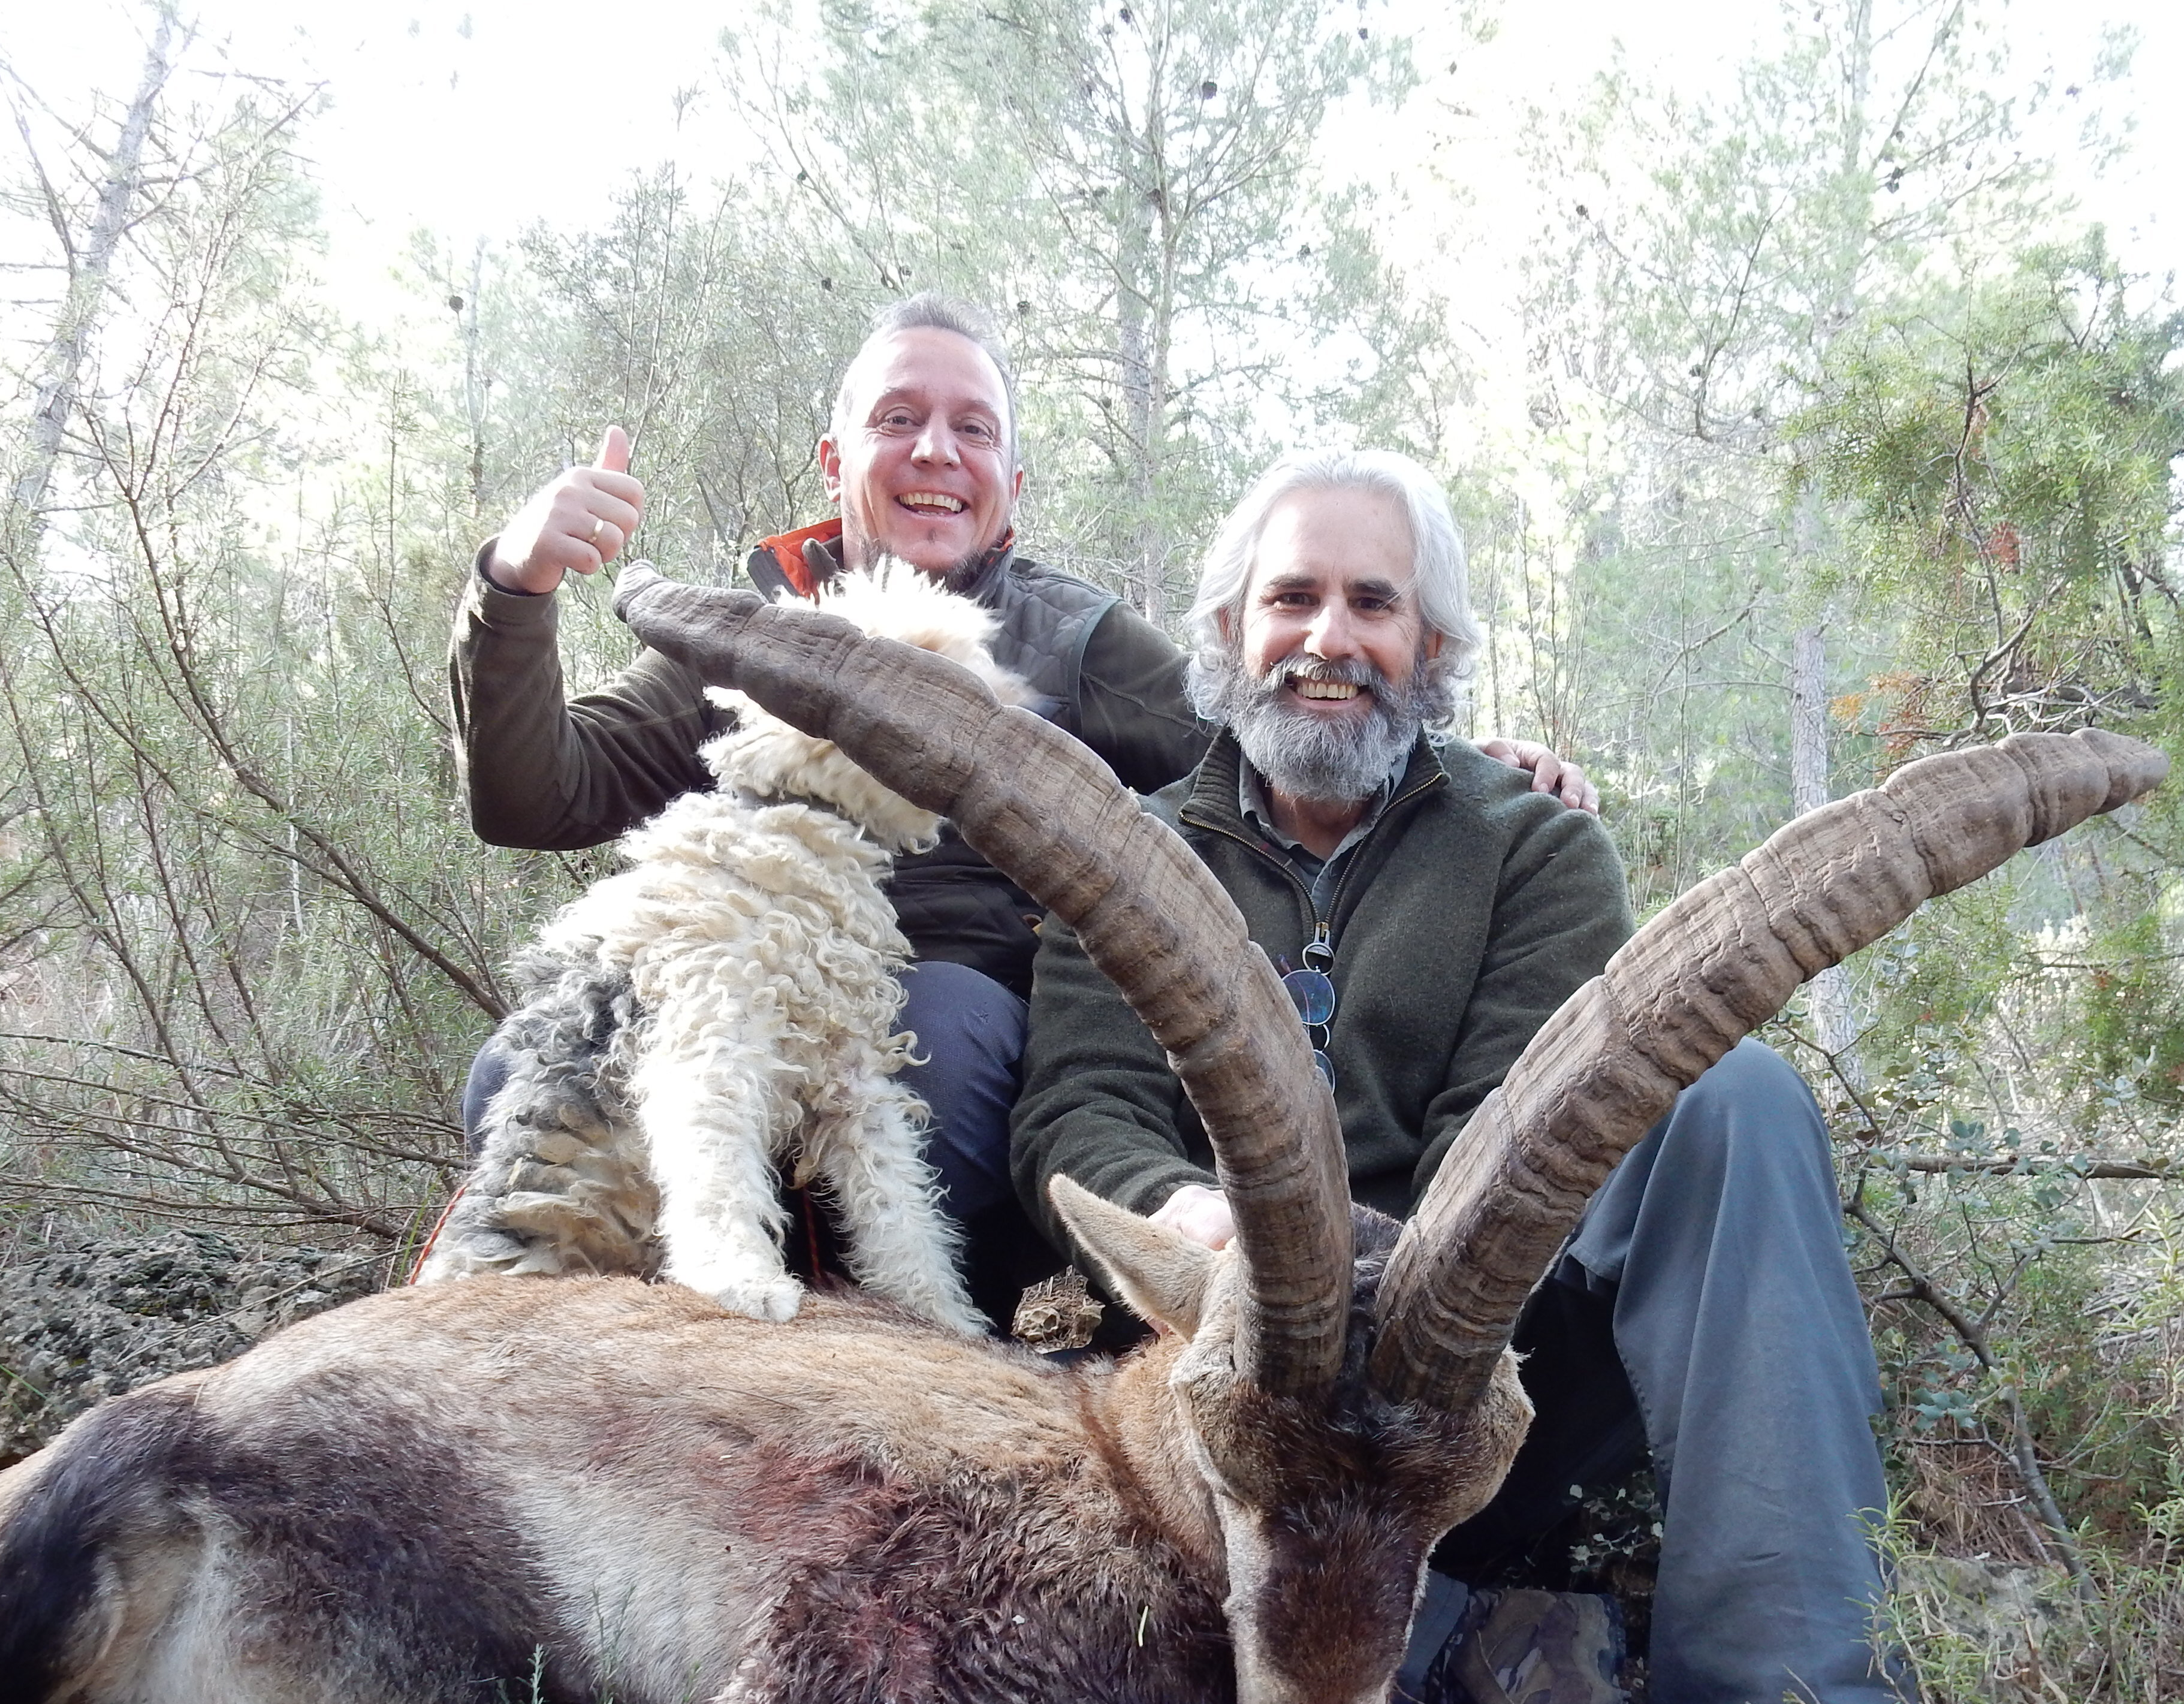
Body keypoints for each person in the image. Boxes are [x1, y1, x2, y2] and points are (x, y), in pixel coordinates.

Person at [1007, 448, 2007, 1704]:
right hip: (1243, 1431)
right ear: (1228, 629)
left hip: (1465, 1401)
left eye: (1373, 602)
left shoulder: (1529, 847)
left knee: (1739, 1097)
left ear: (1433, 645)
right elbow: (1078, 1106)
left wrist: (1326, 1271)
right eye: (1291, 598)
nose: (1327, 635)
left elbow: (1517, 1151)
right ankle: (1487, 1635)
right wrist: (1185, 1217)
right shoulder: (1128, 852)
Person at [447, 295, 1586, 1311]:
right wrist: (518, 585)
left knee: (937, 1036)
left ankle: (877, 1363)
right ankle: (569, 1339)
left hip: (959, 1029)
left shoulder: (1074, 641)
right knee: (518, 1073)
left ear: (1012, 485)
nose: (935, 450)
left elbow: (1277, 720)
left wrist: (1452, 759)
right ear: (835, 455)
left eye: (973, 428)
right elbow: (538, 793)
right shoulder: (757, 638)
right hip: (743, 983)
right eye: (899, 420)